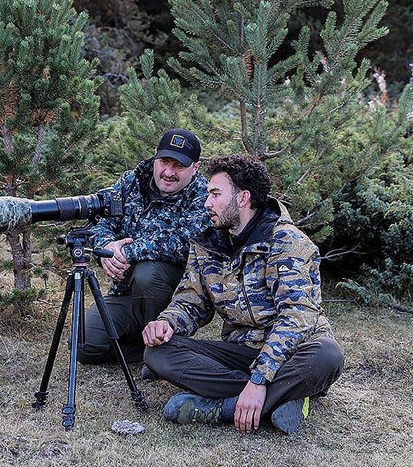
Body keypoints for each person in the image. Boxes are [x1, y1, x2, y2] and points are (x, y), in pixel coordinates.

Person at [142, 154, 344, 434]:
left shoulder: (288, 242)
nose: (206, 203)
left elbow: (296, 317)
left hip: (294, 353)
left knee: (328, 355)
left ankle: (223, 407)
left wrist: (260, 379)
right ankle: (285, 395)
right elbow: (191, 300)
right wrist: (167, 323)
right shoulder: (208, 242)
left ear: (242, 198)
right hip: (243, 351)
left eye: (215, 194)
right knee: (157, 353)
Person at [77, 129, 211, 365]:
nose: (168, 172)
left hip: (174, 293)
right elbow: (100, 220)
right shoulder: (131, 181)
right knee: (84, 344)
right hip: (128, 291)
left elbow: (183, 242)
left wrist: (127, 252)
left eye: (178, 166)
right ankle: (149, 350)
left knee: (147, 272)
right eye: (164, 162)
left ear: (195, 168)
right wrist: (107, 248)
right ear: (155, 157)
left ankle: (164, 349)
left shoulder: (204, 194)